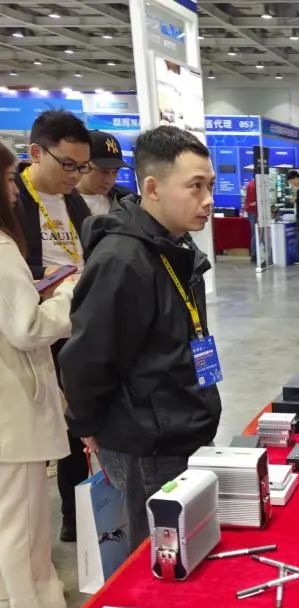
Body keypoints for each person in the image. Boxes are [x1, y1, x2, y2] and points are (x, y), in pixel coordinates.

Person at [59, 126, 222, 554]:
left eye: (210, 185)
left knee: (190, 547)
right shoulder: (123, 259)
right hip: (146, 444)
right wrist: (87, 425)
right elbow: (89, 357)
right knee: (160, 555)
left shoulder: (174, 246)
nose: (208, 199)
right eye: (195, 186)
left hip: (180, 426)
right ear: (152, 188)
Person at [0, 142, 77, 608]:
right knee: (24, 522)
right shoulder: (2, 247)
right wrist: (69, 294)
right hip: (13, 404)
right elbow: (26, 329)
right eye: (9, 179)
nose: (14, 189)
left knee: (10, 516)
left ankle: (13, 600)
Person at [14, 108, 92, 544]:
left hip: (76, 319)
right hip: (36, 328)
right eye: (67, 164)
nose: (75, 175)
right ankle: (66, 518)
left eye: (82, 167)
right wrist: (44, 275)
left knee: (80, 417)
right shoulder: (13, 200)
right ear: (36, 153)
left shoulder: (74, 201)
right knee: (50, 426)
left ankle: (82, 510)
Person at [76, 130, 131, 216]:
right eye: (104, 172)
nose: (109, 180)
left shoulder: (125, 199)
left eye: (115, 172)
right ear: (83, 165)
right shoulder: (63, 201)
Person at [243, 176, 258, 263]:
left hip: (251, 212)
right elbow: (254, 201)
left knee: (254, 234)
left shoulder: (250, 184)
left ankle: (254, 254)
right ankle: (254, 255)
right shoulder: (255, 186)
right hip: (254, 212)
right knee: (255, 234)